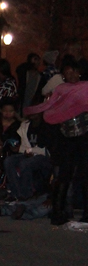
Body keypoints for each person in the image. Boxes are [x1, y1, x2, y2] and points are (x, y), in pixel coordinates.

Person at [25, 58, 88, 225]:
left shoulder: (85, 88)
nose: (71, 75)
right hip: (66, 137)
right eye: (67, 72)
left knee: (84, 175)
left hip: (84, 136)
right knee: (64, 176)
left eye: (73, 71)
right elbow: (50, 108)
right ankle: (58, 212)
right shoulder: (60, 90)